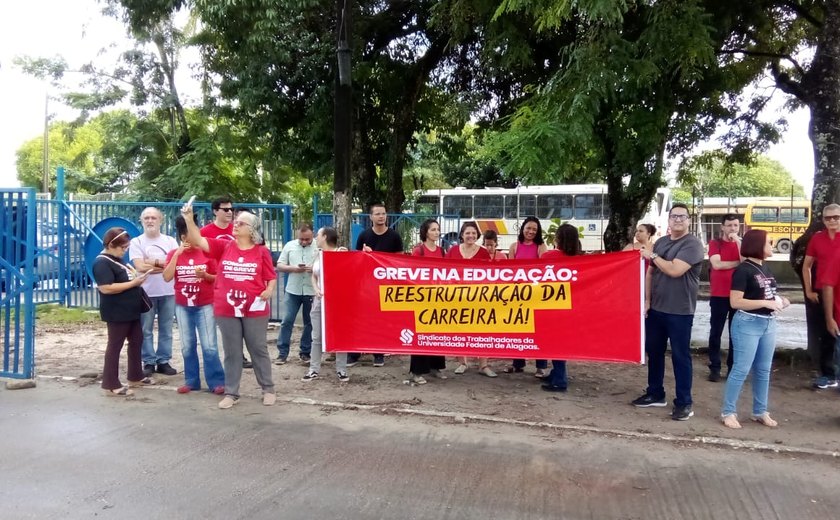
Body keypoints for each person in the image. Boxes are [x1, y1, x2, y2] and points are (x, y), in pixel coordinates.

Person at [181, 205, 278, 409]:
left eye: (241, 223)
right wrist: (189, 220)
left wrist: (269, 290)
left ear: (252, 229)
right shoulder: (225, 246)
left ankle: (268, 389)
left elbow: (270, 277)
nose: (235, 225)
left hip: (254, 308)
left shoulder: (261, 252)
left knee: (257, 348)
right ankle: (231, 392)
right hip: (226, 308)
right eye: (236, 221)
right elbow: (198, 240)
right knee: (232, 351)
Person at [633, 203, 705, 421]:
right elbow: (650, 274)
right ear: (669, 220)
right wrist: (647, 300)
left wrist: (652, 255)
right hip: (657, 309)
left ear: (689, 220)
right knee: (654, 352)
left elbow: (674, 270)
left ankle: (684, 402)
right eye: (674, 216)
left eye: (682, 217)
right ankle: (655, 393)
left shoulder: (692, 245)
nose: (678, 220)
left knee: (680, 357)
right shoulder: (663, 242)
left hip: (680, 311)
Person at [721, 229, 790, 429]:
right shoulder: (743, 270)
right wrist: (766, 303)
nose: (772, 245)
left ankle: (760, 411)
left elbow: (768, 296)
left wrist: (780, 301)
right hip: (747, 323)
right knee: (741, 368)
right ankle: (728, 411)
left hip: (767, 323)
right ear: (758, 245)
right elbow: (735, 302)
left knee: (763, 370)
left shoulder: (765, 269)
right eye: (769, 242)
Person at [162, 215, 225, 395]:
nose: (197, 236)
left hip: (205, 304)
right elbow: (166, 277)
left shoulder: (207, 252)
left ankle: (216, 381)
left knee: (209, 345)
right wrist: (177, 255)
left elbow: (218, 278)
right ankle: (191, 381)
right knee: (187, 345)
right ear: (183, 237)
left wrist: (205, 277)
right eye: (192, 233)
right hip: (183, 305)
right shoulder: (173, 253)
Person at [92, 227, 153, 396]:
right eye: (123, 247)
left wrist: (137, 280)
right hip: (116, 311)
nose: (125, 251)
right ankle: (110, 383)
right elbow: (106, 288)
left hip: (130, 309)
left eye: (126, 247)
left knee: (137, 340)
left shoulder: (116, 259)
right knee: (115, 345)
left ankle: (135, 375)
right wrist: (133, 284)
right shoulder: (102, 262)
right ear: (111, 245)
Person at [347, 203, 403, 368]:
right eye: (377, 214)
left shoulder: (394, 236)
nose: (381, 216)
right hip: (366, 285)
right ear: (370, 217)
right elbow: (357, 259)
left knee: (380, 320)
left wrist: (376, 257)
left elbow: (399, 261)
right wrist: (366, 256)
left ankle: (378, 353)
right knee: (360, 318)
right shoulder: (364, 236)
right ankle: (355, 353)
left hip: (385, 285)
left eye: (383, 213)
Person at [201, 197, 252, 368]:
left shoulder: (237, 229)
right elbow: (200, 254)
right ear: (215, 211)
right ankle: (216, 360)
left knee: (237, 322)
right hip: (210, 283)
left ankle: (240, 356)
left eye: (231, 209)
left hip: (234, 283)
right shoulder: (206, 231)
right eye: (225, 209)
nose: (230, 212)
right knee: (212, 328)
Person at [129, 207, 178, 377]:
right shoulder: (137, 242)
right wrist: (164, 265)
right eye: (146, 218)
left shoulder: (171, 241)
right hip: (145, 292)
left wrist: (151, 262)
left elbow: (176, 264)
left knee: (166, 328)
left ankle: (163, 361)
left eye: (153, 218)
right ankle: (148, 361)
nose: (150, 221)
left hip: (168, 291)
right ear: (141, 221)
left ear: (161, 220)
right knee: (146, 329)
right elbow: (140, 266)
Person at [302, 227, 350, 382]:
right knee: (316, 336)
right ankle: (313, 369)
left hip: (338, 302)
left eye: (318, 235)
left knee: (340, 336)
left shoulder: (340, 253)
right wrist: (316, 288)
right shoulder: (318, 255)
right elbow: (314, 277)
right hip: (320, 300)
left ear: (325, 237)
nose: (316, 237)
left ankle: (341, 369)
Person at [447, 222, 495, 376]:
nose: (471, 236)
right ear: (462, 234)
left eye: (474, 233)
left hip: (478, 298)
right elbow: (444, 271)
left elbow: (490, 274)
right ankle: (462, 363)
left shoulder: (483, 252)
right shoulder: (453, 251)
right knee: (459, 329)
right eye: (468, 233)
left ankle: (483, 365)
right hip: (457, 298)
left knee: (482, 330)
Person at [802, 203, 840, 389]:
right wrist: (809, 290)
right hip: (822, 292)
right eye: (828, 218)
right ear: (823, 220)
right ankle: (827, 374)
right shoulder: (817, 239)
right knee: (826, 335)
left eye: (836, 217)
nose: (832, 220)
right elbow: (807, 265)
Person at [504, 216, 548, 377]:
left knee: (538, 331)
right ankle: (517, 363)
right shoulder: (514, 246)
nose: (530, 232)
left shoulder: (541, 247)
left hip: (535, 294)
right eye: (528, 228)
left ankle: (541, 366)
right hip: (517, 294)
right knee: (518, 329)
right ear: (522, 228)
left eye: (534, 230)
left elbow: (544, 270)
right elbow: (509, 271)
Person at [540, 224, 581, 392]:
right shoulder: (580, 259)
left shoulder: (549, 256)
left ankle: (560, 379)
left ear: (558, 238)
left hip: (551, 305)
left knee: (555, 342)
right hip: (570, 306)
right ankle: (557, 372)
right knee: (561, 341)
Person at [408, 219, 449, 384]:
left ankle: (435, 367)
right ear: (425, 232)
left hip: (438, 298)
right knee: (421, 334)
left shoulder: (442, 251)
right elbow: (413, 272)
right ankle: (417, 371)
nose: (437, 232)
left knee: (437, 333)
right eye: (433, 230)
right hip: (423, 298)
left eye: (438, 230)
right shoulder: (419, 250)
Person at [706, 214, 743, 382]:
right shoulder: (715, 243)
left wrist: (738, 241)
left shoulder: (740, 244)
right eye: (729, 225)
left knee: (735, 333)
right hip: (719, 294)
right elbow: (717, 264)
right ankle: (714, 367)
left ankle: (732, 368)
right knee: (716, 332)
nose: (732, 229)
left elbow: (747, 259)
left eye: (735, 225)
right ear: (722, 227)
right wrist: (737, 263)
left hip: (738, 294)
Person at [275, 223, 316, 364]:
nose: (304, 242)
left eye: (307, 239)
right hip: (293, 289)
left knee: (310, 322)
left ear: (313, 235)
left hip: (311, 290)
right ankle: (282, 353)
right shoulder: (290, 245)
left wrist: (315, 269)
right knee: (287, 320)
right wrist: (293, 268)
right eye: (301, 239)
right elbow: (279, 265)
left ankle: (305, 352)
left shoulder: (319, 247)